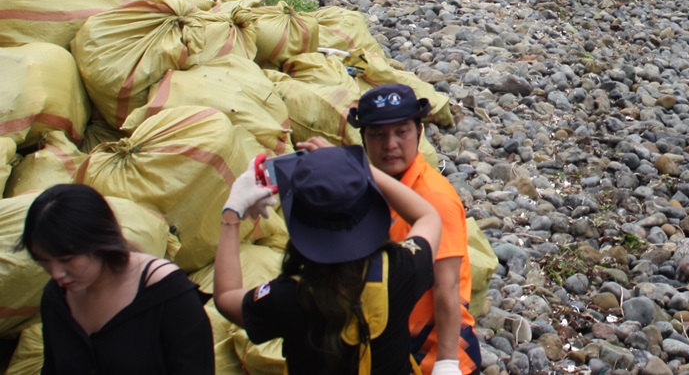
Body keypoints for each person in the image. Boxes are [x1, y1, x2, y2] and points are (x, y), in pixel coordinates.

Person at [213, 145, 443, 375]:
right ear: (369, 212)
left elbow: (225, 297)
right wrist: (360, 171)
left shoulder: (288, 297)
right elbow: (427, 216)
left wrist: (232, 213)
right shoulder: (400, 270)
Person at [299, 84, 480, 375]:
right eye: (378, 135)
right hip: (388, 332)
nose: (390, 145)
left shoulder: (434, 197)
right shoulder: (371, 186)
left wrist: (447, 363)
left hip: (429, 347)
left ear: (419, 133)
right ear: (364, 139)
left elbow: (447, 287)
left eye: (401, 132)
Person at [20, 183, 214, 375]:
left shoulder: (172, 298)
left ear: (100, 241)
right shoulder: (56, 296)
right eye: (44, 262)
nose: (56, 273)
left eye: (66, 260)